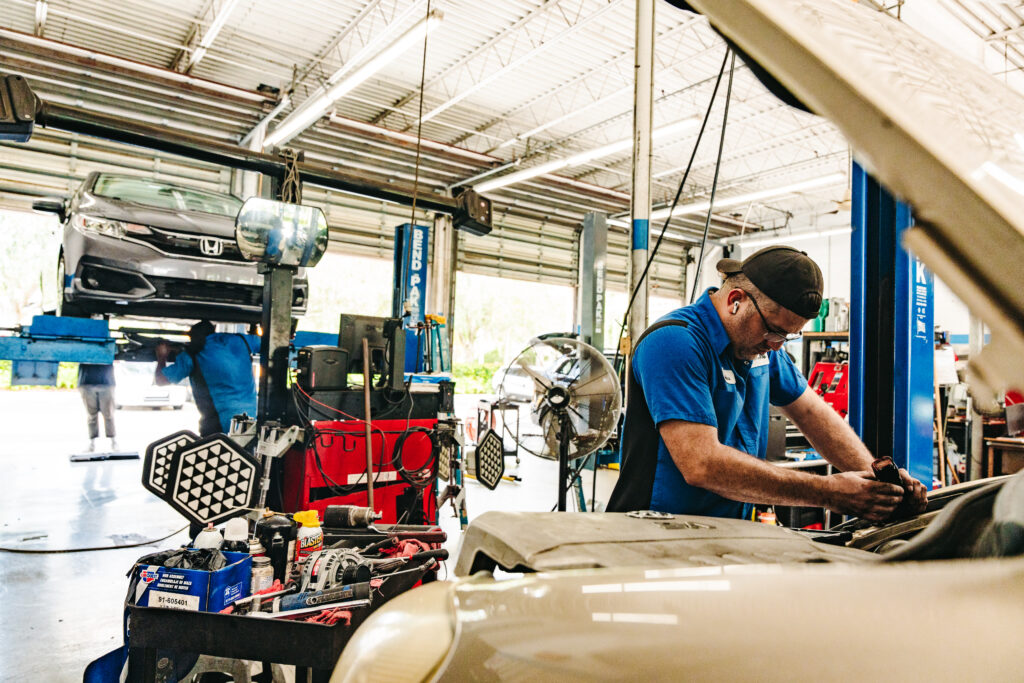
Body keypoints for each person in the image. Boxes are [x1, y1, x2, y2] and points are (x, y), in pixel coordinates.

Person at [607, 246, 928, 523]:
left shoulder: (761, 349)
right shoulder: (675, 342)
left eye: (787, 336)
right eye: (773, 330)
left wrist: (877, 482)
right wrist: (829, 492)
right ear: (736, 300)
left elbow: (812, 412)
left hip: (723, 531)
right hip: (654, 531)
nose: (776, 345)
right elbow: (701, 464)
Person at [155, 320, 257, 436]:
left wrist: (161, 357)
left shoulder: (192, 354)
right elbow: (268, 343)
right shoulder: (241, 340)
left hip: (218, 426)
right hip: (250, 423)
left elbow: (161, 380)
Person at [78, 363, 117, 452]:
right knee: (92, 415)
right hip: (87, 382)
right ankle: (92, 442)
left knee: (108, 414)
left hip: (105, 381)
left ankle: (113, 441)